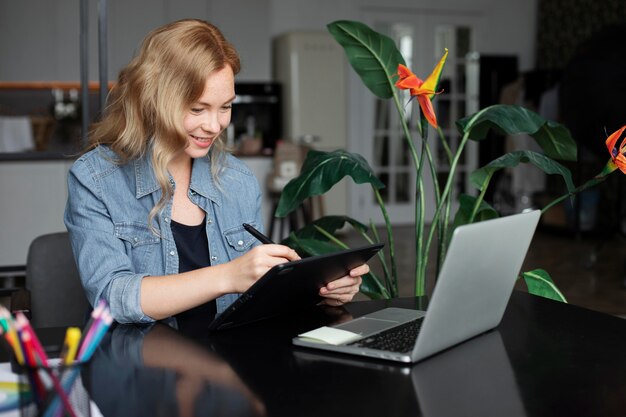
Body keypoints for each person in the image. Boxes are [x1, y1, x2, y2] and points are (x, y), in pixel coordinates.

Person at [64, 19, 368, 329]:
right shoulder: (96, 178)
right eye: (198, 109)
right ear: (153, 100)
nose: (215, 125)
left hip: (226, 363)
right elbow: (113, 297)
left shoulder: (237, 180)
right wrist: (228, 276)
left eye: (225, 106)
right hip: (140, 366)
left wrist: (320, 290)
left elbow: (258, 296)